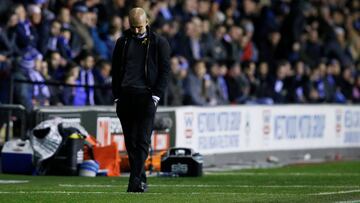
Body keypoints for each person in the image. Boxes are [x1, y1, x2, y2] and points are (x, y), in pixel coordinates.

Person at [111, 7, 170, 193]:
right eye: (133, 26)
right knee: (131, 142)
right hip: (126, 96)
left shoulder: (159, 43)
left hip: (146, 96)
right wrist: (117, 96)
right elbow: (115, 71)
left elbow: (165, 71)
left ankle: (134, 182)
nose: (136, 30)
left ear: (147, 22)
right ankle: (140, 179)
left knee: (142, 140)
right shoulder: (122, 42)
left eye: (139, 26)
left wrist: (155, 95)